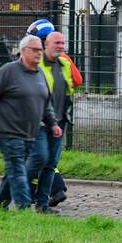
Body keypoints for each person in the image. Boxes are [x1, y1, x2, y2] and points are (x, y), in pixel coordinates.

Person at [0, 34, 62, 210]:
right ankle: (24, 207)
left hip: (30, 134)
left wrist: (53, 124)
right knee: (18, 169)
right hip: (8, 133)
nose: (39, 53)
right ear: (23, 51)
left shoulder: (39, 73)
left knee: (15, 168)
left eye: (40, 50)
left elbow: (45, 103)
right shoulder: (8, 71)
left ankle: (0, 206)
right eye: (35, 50)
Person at [30, 30, 80, 213]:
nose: (60, 46)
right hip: (39, 123)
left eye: (62, 43)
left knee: (50, 163)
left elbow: (76, 81)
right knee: (39, 159)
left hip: (59, 122)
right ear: (46, 44)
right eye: (56, 43)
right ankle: (12, 192)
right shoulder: (36, 63)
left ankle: (42, 205)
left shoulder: (64, 63)